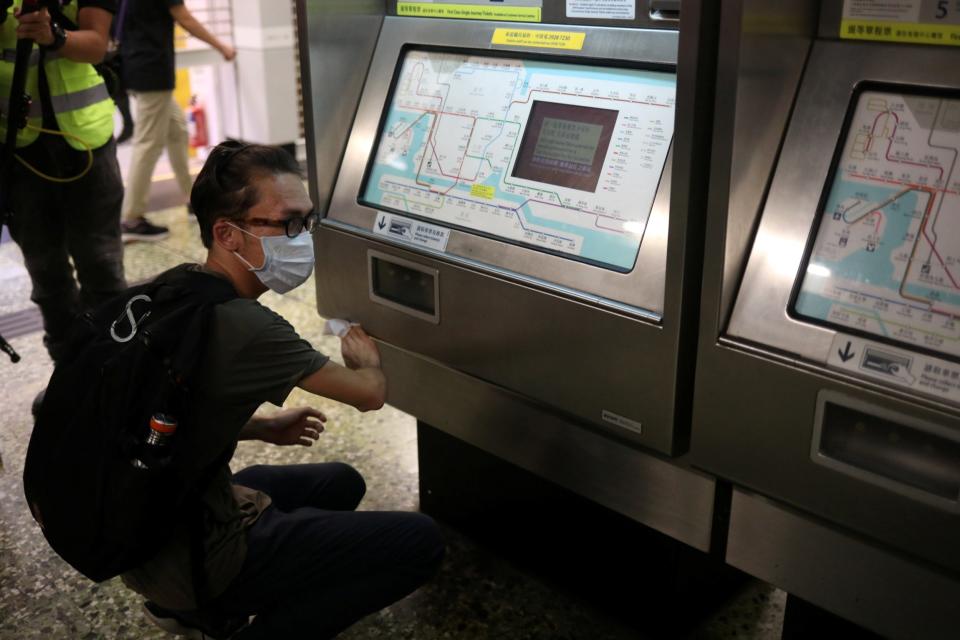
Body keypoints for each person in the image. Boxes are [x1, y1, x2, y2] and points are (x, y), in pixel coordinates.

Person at [123, 141, 445, 639]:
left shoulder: (176, 287)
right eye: (287, 224)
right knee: (420, 542)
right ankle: (229, 613)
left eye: (307, 222)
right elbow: (368, 394)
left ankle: (193, 613)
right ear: (227, 234)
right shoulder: (246, 325)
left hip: (149, 530)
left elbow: (163, 410)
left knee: (340, 482)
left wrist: (260, 426)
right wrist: (368, 362)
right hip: (197, 553)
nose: (301, 239)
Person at [0, 0, 126, 364]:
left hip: (86, 141)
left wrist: (53, 35)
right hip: (19, 147)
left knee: (100, 264)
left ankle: (114, 369)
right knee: (46, 272)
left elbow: (96, 44)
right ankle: (68, 371)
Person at [118, 0, 235, 241]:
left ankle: (193, 200)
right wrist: (221, 46)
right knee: (148, 143)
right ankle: (131, 219)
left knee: (178, 131)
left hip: (138, 65)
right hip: (152, 70)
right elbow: (186, 19)